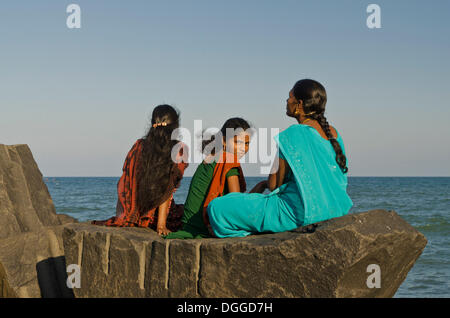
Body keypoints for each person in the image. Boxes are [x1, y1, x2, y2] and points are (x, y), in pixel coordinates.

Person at [207, 79, 353, 238]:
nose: (287, 101)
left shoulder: (293, 134)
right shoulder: (334, 133)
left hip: (300, 213)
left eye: (290, 97)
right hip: (336, 209)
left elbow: (274, 184)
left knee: (217, 207)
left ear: (299, 104)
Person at [92, 105, 188, 236]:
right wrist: (161, 225)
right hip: (154, 218)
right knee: (189, 215)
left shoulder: (139, 146)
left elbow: (125, 182)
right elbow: (167, 189)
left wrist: (122, 216)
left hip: (131, 215)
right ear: (176, 126)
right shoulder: (179, 149)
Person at [165, 117, 264, 239]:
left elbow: (236, 199)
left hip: (188, 224)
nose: (243, 148)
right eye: (238, 142)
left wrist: (262, 185)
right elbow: (237, 202)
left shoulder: (212, 157)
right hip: (202, 226)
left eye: (247, 143)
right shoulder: (228, 159)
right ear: (223, 141)